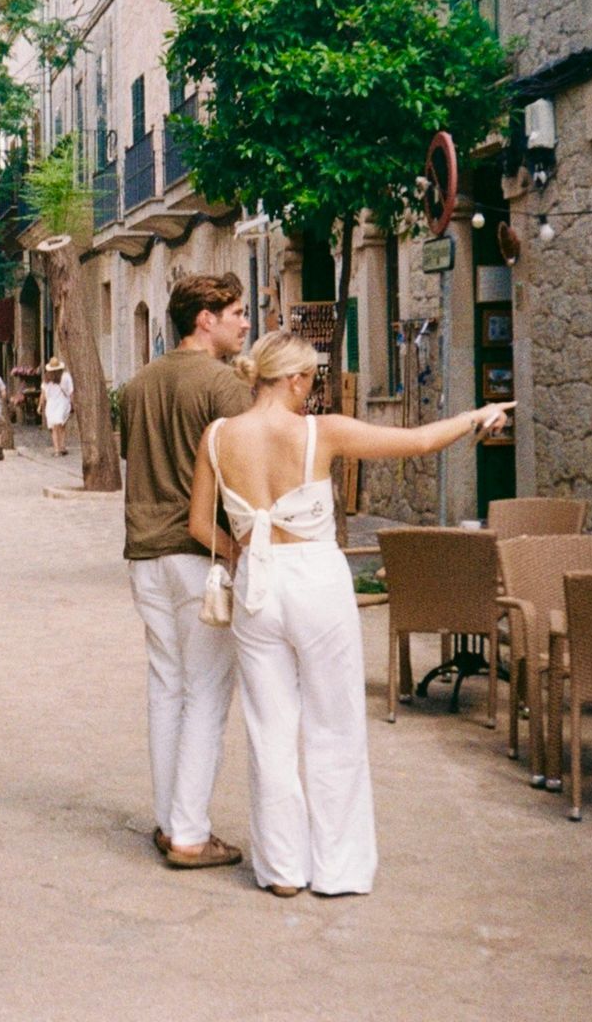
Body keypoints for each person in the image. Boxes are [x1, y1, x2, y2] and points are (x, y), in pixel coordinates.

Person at [189, 332, 513, 898]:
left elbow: (198, 525)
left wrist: (245, 549)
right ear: (292, 379)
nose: (312, 391)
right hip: (315, 581)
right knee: (334, 726)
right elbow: (415, 442)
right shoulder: (322, 432)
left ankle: (283, 871)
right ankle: (336, 869)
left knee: (270, 731)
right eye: (311, 380)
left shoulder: (217, 437)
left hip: (256, 588)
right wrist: (475, 416)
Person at [119, 272, 253, 872]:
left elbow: (135, 458)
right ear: (206, 318)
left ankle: (170, 820)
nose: (245, 323)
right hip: (202, 553)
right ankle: (192, 833)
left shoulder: (139, 384)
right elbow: (245, 474)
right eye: (237, 313)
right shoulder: (223, 385)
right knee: (205, 694)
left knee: (165, 688)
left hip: (145, 553)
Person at [41, 357, 75, 456]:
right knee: (62, 425)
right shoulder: (66, 376)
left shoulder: (46, 379)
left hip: (51, 405)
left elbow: (43, 395)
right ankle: (62, 446)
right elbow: (71, 391)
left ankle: (57, 449)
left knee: (54, 428)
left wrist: (40, 406)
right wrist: (72, 403)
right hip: (63, 403)